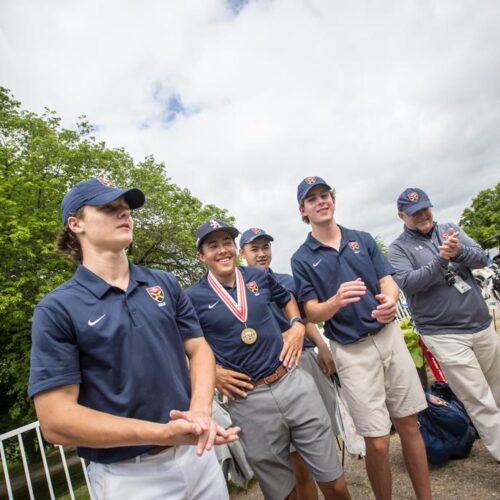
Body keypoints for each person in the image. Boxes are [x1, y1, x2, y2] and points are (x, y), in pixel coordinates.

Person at [28, 178, 239, 500]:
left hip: (197, 458)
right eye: (109, 208)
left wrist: (199, 412)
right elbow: (56, 420)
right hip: (129, 477)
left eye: (126, 209)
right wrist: (164, 434)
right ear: (75, 223)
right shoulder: (57, 308)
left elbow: (198, 349)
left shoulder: (164, 283)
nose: (124, 214)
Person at [186, 219, 350, 500]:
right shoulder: (191, 297)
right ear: (201, 256)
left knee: (335, 484)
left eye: (227, 243)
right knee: (284, 495)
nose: (222, 250)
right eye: (213, 245)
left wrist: (297, 324)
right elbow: (188, 347)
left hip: (291, 381)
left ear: (236, 249)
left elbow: (287, 298)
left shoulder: (257, 277)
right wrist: (212, 371)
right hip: (248, 401)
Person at [291, 176, 432, 500]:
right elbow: (311, 311)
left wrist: (390, 299)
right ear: (303, 210)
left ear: (333, 200)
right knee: (378, 440)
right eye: (312, 199)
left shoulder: (362, 239)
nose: (321, 201)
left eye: (325, 195)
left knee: (409, 423)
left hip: (388, 337)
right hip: (351, 351)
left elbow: (388, 279)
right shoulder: (301, 258)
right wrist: (335, 302)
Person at [388, 187, 500, 463]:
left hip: (480, 323)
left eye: (426, 208)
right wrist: (442, 259)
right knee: (478, 397)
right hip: (444, 333)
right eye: (415, 213)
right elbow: (409, 283)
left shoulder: (449, 228)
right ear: (402, 216)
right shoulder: (398, 248)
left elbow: (480, 257)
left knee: (497, 388)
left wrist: (458, 251)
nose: (423, 214)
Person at [239, 226, 339, 500]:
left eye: (265, 248)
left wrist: (321, 347)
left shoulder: (285, 280)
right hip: (273, 371)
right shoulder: (241, 291)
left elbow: (303, 320)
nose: (261, 254)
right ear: (242, 253)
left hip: (303, 358)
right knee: (298, 462)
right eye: (254, 249)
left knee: (323, 440)